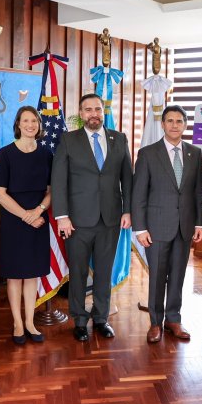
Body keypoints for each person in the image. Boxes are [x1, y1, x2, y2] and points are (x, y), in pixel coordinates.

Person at [52, 94, 133, 342]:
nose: (94, 113)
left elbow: (127, 179)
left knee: (104, 272)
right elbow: (59, 181)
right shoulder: (68, 140)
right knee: (77, 272)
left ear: (103, 111)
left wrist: (128, 210)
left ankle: (101, 318)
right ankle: (79, 319)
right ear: (81, 113)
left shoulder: (119, 139)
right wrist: (62, 216)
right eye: (88, 109)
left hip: (110, 219)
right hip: (76, 221)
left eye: (97, 108)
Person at [132, 105, 202, 343]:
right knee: (157, 276)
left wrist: (199, 224)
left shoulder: (194, 153)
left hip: (184, 228)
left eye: (179, 121)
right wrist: (140, 229)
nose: (174, 125)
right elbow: (139, 194)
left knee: (178, 275)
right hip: (156, 228)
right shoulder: (148, 153)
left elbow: (196, 192)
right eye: (170, 121)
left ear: (185, 125)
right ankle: (155, 322)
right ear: (162, 124)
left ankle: (173, 318)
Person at [0, 106, 52, 345]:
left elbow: (51, 191)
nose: (30, 125)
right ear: (18, 124)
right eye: (25, 121)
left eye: (34, 121)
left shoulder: (47, 154)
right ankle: (17, 323)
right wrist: (26, 215)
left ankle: (30, 322)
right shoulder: (5, 153)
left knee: (32, 275)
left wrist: (38, 211)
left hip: (39, 219)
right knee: (15, 276)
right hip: (14, 220)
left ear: (39, 125)